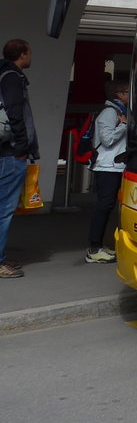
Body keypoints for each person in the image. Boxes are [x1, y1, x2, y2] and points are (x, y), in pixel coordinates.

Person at [0, 38, 39, 279]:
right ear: (22, 55)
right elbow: (15, 113)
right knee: (4, 209)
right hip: (10, 153)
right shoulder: (12, 77)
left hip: (4, 150)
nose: (31, 57)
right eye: (30, 52)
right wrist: (22, 146)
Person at [85, 80, 130, 264]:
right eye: (127, 92)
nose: (130, 95)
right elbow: (108, 139)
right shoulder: (110, 113)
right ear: (119, 94)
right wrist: (124, 125)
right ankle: (94, 249)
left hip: (113, 166)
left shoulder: (116, 112)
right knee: (104, 207)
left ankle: (97, 247)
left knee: (106, 206)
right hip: (107, 167)